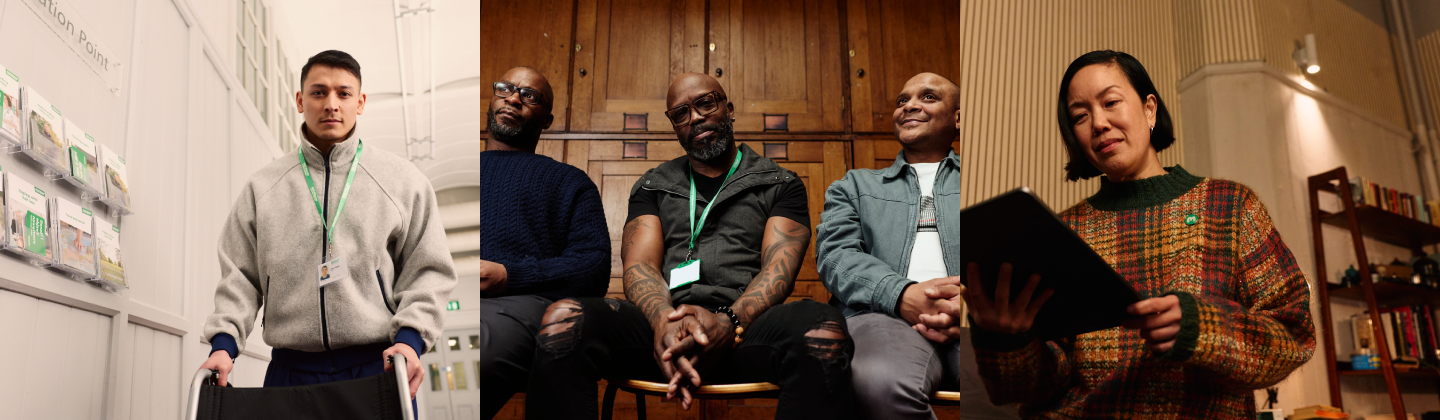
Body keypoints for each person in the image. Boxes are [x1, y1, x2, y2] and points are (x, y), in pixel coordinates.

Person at [963, 50, 1315, 419]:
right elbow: (1026, 390)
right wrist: (1009, 339)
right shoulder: (1064, 232)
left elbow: (1294, 336)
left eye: (1111, 102)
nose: (1098, 123)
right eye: (1080, 116)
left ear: (1149, 109)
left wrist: (1203, 327)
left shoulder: (1230, 205)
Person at [524, 73, 857, 419]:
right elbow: (640, 267)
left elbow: (778, 270)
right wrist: (663, 321)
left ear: (728, 109)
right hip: (661, 331)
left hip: (745, 328)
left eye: (705, 104)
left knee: (823, 329)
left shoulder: (779, 183)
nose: (695, 117)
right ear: (674, 126)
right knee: (565, 320)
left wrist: (727, 322)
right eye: (680, 113)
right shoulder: (653, 185)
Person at [198, 50, 456, 404]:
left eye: (343, 94)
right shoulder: (263, 187)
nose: (331, 104)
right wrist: (224, 345)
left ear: (360, 102)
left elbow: (429, 271)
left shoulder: (402, 181)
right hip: (290, 373)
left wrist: (410, 339)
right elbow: (239, 277)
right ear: (300, 100)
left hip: (377, 368)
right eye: (319, 93)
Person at [816, 72, 1017, 419]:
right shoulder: (854, 186)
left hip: (977, 320)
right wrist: (901, 294)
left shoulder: (990, 182)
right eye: (902, 100)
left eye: (927, 97)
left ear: (959, 118)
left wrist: (968, 307)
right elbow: (836, 256)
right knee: (880, 383)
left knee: (1013, 396)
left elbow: (1015, 257)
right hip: (880, 317)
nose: (909, 105)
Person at [479, 66, 611, 420]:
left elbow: (593, 266)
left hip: (517, 303)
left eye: (530, 95)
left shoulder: (569, 181)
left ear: (547, 119)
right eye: (505, 87)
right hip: (441, 300)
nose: (513, 98)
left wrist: (510, 275)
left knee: (463, 357)